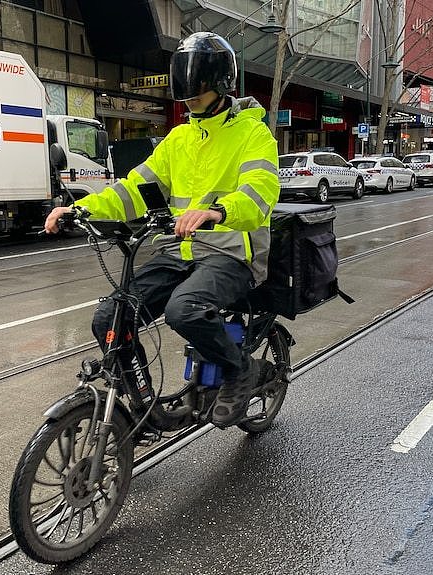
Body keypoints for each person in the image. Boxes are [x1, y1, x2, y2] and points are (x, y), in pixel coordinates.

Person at [44, 32, 279, 428]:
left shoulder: (253, 134)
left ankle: (240, 370)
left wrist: (217, 212)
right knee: (110, 318)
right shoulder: (178, 139)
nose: (189, 101)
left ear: (221, 85)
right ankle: (142, 407)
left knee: (183, 310)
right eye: (185, 94)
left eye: (198, 93)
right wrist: (79, 208)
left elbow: (261, 191)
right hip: (178, 253)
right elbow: (133, 189)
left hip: (231, 255)